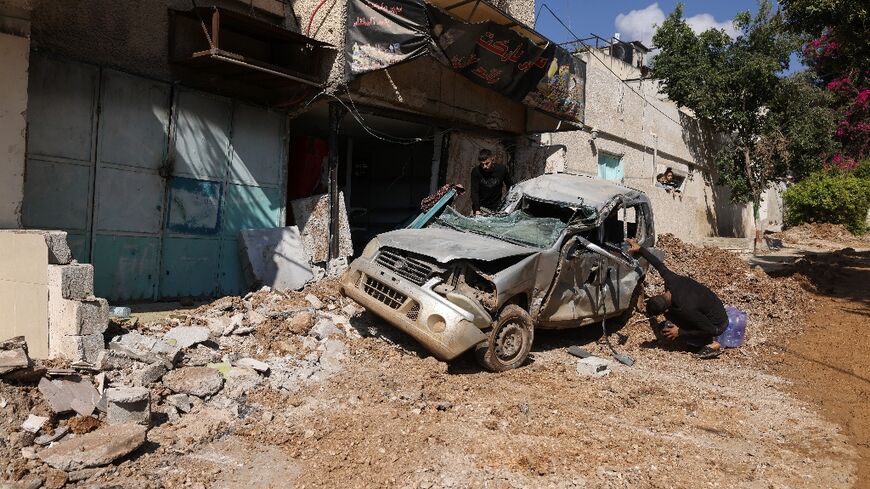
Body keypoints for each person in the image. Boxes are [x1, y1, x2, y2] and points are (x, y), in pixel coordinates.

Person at [625, 237, 727, 358]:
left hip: (718, 325)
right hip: (714, 306)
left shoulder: (686, 308)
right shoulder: (671, 280)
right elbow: (658, 264)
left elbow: (710, 329)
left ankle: (711, 344)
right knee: (671, 320)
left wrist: (680, 332)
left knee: (671, 327)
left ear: (665, 309)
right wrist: (640, 249)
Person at [470, 149, 512, 216]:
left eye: (487, 163)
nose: (485, 167)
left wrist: (509, 204)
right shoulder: (476, 171)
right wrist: (477, 210)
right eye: (482, 164)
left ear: (492, 159)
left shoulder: (502, 169)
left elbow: (510, 186)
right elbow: (474, 191)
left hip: (497, 208)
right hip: (480, 207)